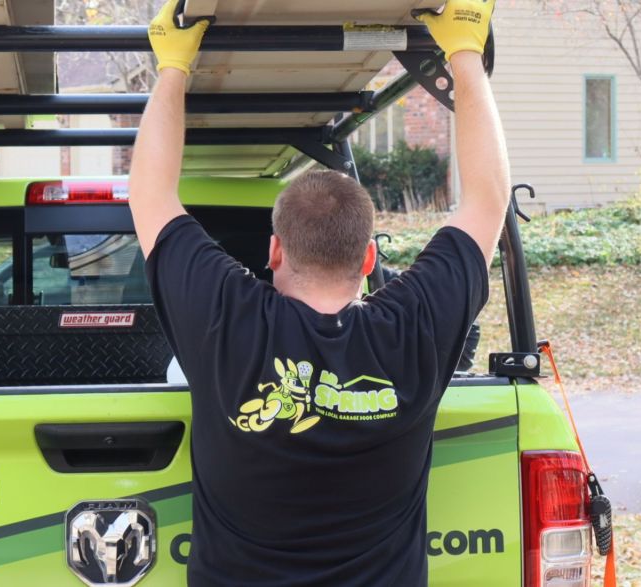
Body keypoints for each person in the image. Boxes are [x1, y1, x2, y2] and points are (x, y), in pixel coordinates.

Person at [129, 0, 508, 584]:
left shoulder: (228, 320)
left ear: (276, 251)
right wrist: (463, 51)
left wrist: (174, 65)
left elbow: (151, 197)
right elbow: (487, 201)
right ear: (368, 259)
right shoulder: (413, 328)